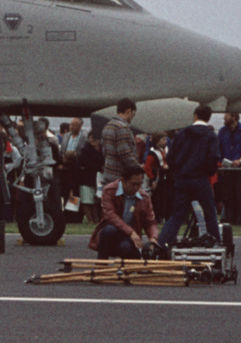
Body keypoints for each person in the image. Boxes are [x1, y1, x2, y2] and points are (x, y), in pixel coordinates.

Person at [158, 104, 221, 247]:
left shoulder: (181, 134)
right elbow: (213, 158)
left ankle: (162, 243)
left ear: (195, 115)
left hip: (183, 178)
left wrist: (177, 172)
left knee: (177, 215)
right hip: (200, 179)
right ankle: (215, 242)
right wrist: (208, 172)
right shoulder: (211, 135)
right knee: (209, 212)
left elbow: (171, 157)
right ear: (208, 118)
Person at [88, 160, 159, 259]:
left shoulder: (145, 197)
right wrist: (131, 232)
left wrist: (153, 238)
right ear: (123, 181)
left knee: (126, 248)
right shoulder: (109, 190)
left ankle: (126, 268)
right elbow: (110, 216)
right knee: (109, 230)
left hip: (129, 239)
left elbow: (150, 222)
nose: (136, 188)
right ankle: (101, 262)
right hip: (115, 234)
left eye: (139, 184)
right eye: (133, 184)